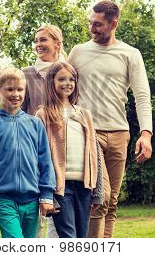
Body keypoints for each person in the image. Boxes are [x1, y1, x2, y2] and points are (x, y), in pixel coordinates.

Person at [68, 0, 153, 238]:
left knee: (111, 201)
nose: (92, 29)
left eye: (98, 25)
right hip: (87, 133)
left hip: (119, 133)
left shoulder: (130, 54)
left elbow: (142, 95)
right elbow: (59, 82)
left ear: (113, 24)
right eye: (91, 24)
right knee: (99, 198)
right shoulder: (78, 52)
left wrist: (146, 133)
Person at [0, 67, 56, 238]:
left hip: (32, 199)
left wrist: (46, 194)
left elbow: (45, 161)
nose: (15, 94)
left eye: (20, 89)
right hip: (4, 199)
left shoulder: (35, 124)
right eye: (10, 89)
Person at [36, 62, 103, 238]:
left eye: (71, 79)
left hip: (84, 186)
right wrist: (46, 193)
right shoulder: (43, 114)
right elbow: (40, 156)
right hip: (60, 188)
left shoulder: (84, 114)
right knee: (68, 236)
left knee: (81, 237)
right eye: (62, 79)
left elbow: (94, 154)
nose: (67, 83)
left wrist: (98, 192)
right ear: (51, 82)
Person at [21, 24, 65, 237]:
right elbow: (17, 113)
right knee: (35, 209)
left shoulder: (67, 74)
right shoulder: (26, 75)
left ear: (57, 44)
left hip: (62, 151)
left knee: (59, 209)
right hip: (33, 151)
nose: (38, 44)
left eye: (43, 40)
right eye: (36, 40)